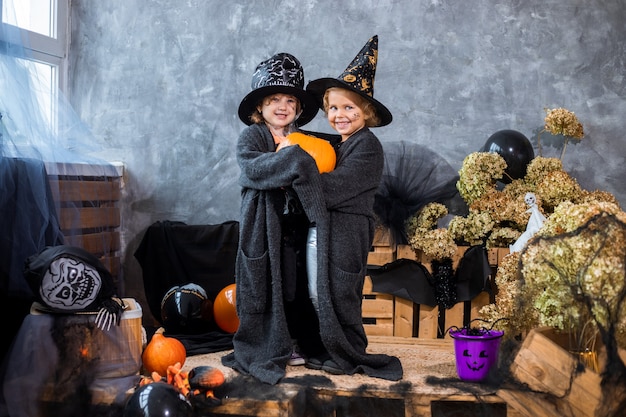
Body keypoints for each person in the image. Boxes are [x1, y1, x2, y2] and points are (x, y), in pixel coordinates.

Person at [221, 52, 329, 384]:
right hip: (264, 225)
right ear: (261, 107)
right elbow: (253, 169)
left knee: (298, 285)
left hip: (296, 223)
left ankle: (299, 339)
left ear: (297, 109)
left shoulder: (302, 140)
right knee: (268, 286)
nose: (281, 106)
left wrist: (293, 158)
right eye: (273, 100)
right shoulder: (252, 137)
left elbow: (314, 175)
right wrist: (292, 160)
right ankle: (271, 343)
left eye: (289, 101)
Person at [303, 35, 403, 379]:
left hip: (348, 232)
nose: (339, 115)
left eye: (349, 108)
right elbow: (314, 148)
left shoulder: (367, 147)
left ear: (367, 113)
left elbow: (333, 188)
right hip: (329, 231)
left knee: (342, 294)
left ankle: (349, 353)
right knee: (320, 293)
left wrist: (298, 176)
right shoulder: (340, 144)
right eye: (333, 108)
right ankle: (330, 348)